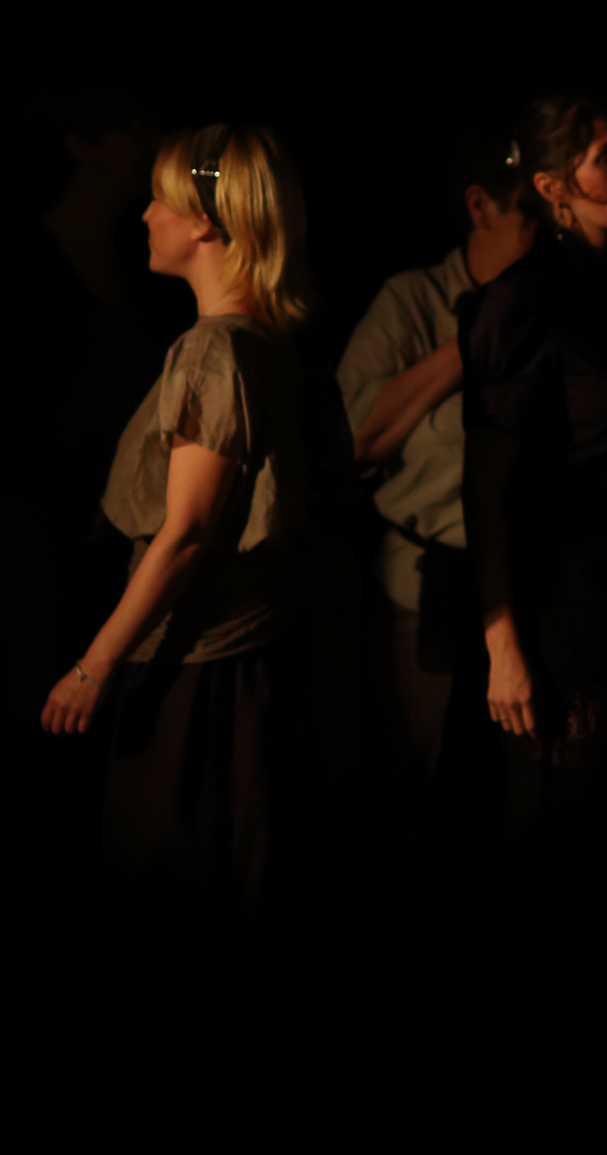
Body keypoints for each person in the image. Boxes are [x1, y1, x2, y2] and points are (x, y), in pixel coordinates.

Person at [41, 123, 327, 923]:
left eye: (160, 202)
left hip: (200, 666)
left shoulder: (216, 351)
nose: (145, 216)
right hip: (245, 655)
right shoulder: (272, 340)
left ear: (204, 221)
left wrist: (94, 666)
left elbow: (187, 532)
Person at [459, 94, 607, 856]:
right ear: (553, 187)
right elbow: (485, 486)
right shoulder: (520, 304)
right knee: (567, 827)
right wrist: (503, 647)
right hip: (564, 616)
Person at [336, 129, 535, 821]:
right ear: (481, 207)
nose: (548, 230)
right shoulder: (412, 301)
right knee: (419, 790)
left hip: (529, 588)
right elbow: (356, 439)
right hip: (426, 592)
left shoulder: (556, 306)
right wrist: (479, 337)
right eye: (530, 212)